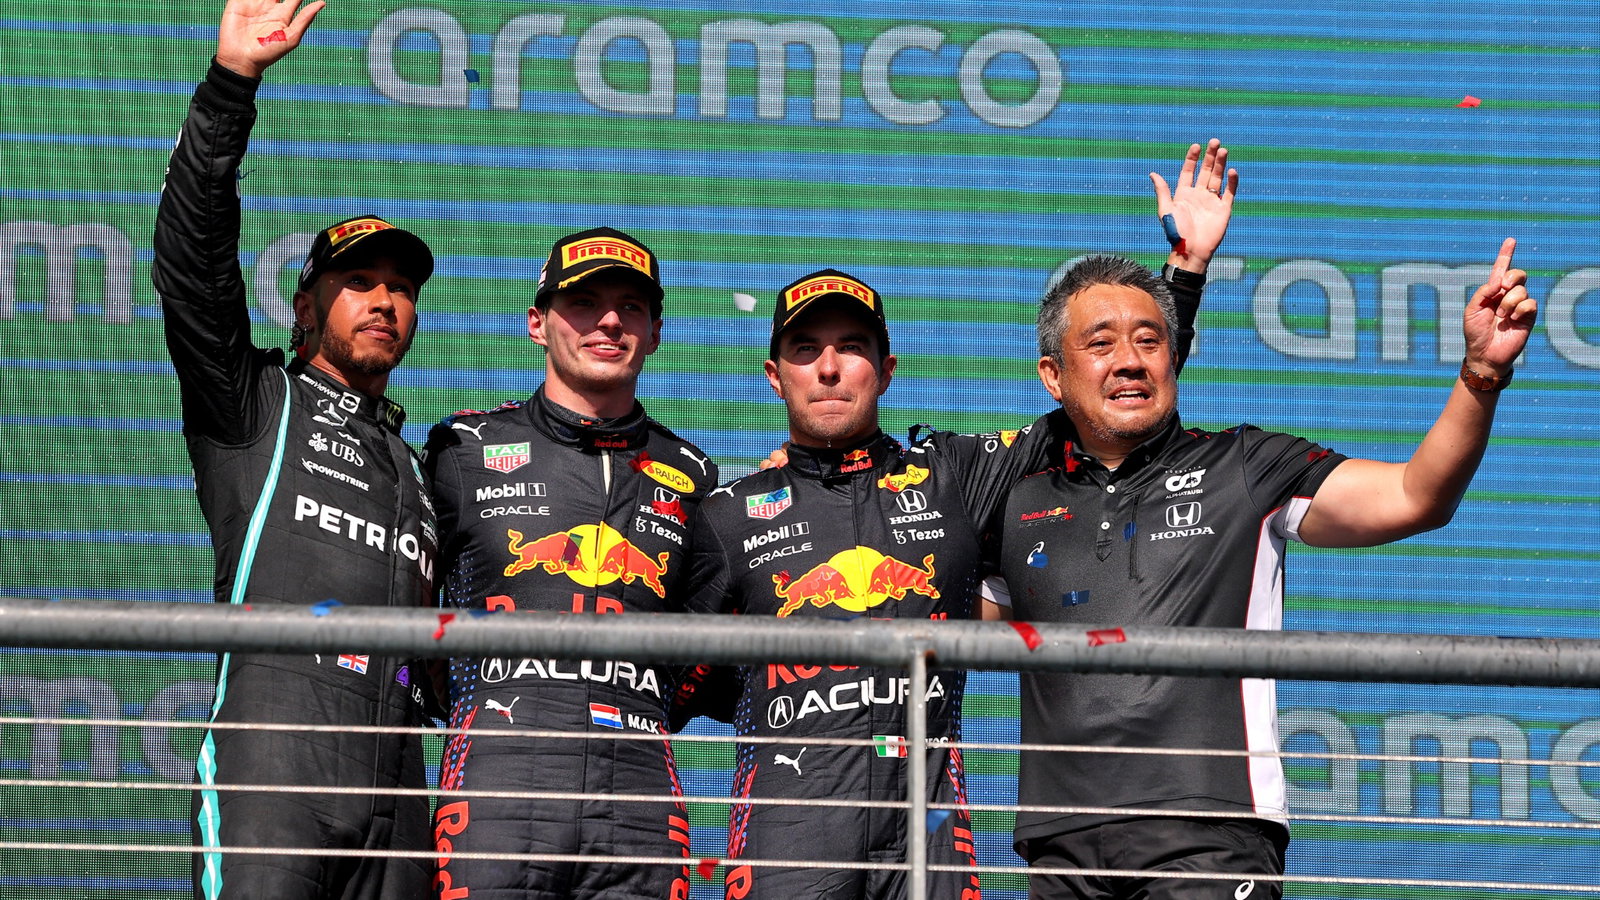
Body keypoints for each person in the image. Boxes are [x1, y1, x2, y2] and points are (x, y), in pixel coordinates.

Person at [677, 139, 1236, 900]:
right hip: (785, 842)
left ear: (888, 367)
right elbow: (675, 685)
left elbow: (1110, 399)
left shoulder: (952, 475)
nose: (831, 367)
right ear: (776, 375)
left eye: (852, 347)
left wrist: (1186, 277)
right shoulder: (727, 514)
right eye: (806, 350)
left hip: (928, 843)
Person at [991, 241, 1536, 900]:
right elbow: (944, 627)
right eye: (1100, 344)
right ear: (1054, 374)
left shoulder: (1246, 466)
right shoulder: (1016, 496)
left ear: (1175, 355)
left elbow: (1415, 497)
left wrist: (1480, 372)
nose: (1130, 361)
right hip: (1060, 842)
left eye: (1149, 340)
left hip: (1211, 831)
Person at [150, 2, 439, 898]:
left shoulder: (422, 468)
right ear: (306, 306)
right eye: (358, 283)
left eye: (400, 288)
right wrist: (233, 82)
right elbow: (191, 260)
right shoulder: (256, 402)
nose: (383, 300)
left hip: (399, 764)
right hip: (277, 741)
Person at [425, 227, 718, 900]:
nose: (609, 320)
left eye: (631, 307)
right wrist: (469, 700)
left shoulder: (693, 472)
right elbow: (403, 607)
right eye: (584, 302)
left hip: (641, 794)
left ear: (655, 331)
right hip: (494, 785)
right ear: (538, 323)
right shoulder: (463, 449)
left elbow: (705, 653)